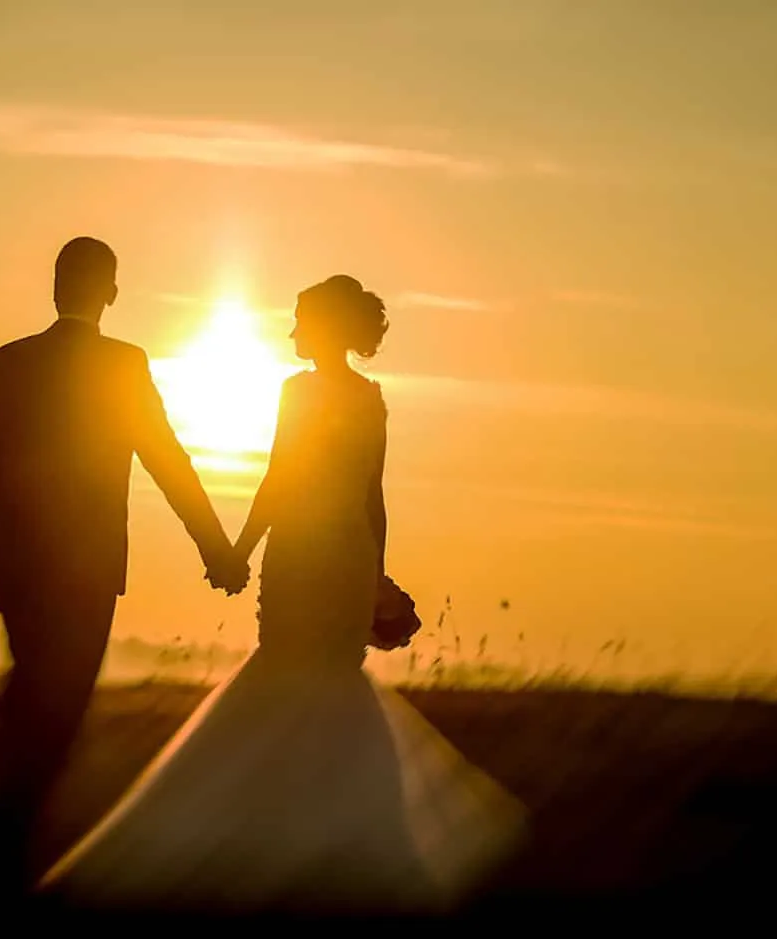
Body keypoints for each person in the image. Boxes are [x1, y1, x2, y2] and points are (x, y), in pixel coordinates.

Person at [38, 274, 527, 917]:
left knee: (285, 678)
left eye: (300, 319)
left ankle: (262, 834)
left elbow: (279, 477)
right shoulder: (370, 399)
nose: (293, 330)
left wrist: (240, 551)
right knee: (330, 682)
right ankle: (343, 842)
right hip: (345, 554)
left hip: (302, 550)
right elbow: (372, 499)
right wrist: (374, 572)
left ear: (323, 325)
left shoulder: (298, 393)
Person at [0, 236, 249, 892]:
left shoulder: (10, 362)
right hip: (89, 568)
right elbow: (166, 457)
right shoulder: (124, 366)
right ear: (111, 292)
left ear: (55, 286)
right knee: (61, 705)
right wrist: (217, 548)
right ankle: (16, 841)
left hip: (20, 568)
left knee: (36, 691)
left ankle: (2, 833)